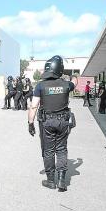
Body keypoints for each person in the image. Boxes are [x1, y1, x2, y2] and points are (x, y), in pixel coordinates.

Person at [28, 55, 77, 192]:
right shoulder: (66, 84)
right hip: (63, 121)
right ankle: (62, 180)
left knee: (49, 150)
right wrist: (73, 75)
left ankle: (51, 181)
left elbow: (34, 106)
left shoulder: (40, 85)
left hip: (47, 122)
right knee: (61, 149)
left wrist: (30, 123)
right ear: (59, 69)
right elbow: (75, 82)